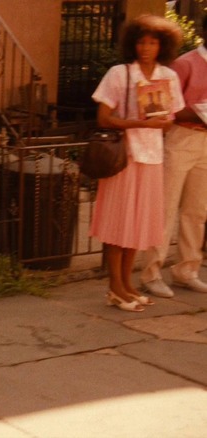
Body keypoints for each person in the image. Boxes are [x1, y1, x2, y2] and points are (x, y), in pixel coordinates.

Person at [90, 14, 184, 312]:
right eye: (141, 42)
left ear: (163, 45)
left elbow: (171, 116)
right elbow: (103, 118)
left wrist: (163, 124)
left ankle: (128, 285)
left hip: (153, 158)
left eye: (153, 42)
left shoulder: (168, 77)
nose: (146, 48)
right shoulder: (120, 74)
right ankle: (114, 287)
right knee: (119, 224)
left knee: (137, 225)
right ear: (132, 43)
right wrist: (138, 123)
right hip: (124, 157)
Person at [142, 15, 207, 297]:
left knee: (197, 210)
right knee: (166, 207)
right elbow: (166, 106)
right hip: (183, 137)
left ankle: (187, 269)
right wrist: (200, 113)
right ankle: (151, 272)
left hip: (205, 141)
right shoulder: (185, 63)